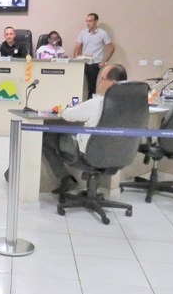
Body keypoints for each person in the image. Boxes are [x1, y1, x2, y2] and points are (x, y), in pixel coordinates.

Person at [42, 63, 127, 193]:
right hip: (117, 154)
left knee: (47, 137)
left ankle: (65, 177)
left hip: (88, 154)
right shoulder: (128, 106)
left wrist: (66, 109)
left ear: (113, 83)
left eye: (102, 79)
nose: (99, 83)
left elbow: (68, 115)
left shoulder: (97, 103)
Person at [74, 13, 115, 98]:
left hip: (94, 63)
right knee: (78, 83)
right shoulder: (83, 33)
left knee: (91, 86)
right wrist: (76, 59)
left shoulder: (102, 33)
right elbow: (77, 47)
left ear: (96, 21)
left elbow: (111, 48)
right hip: (83, 62)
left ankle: (90, 102)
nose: (88, 23)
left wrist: (104, 62)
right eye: (87, 21)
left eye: (90, 21)